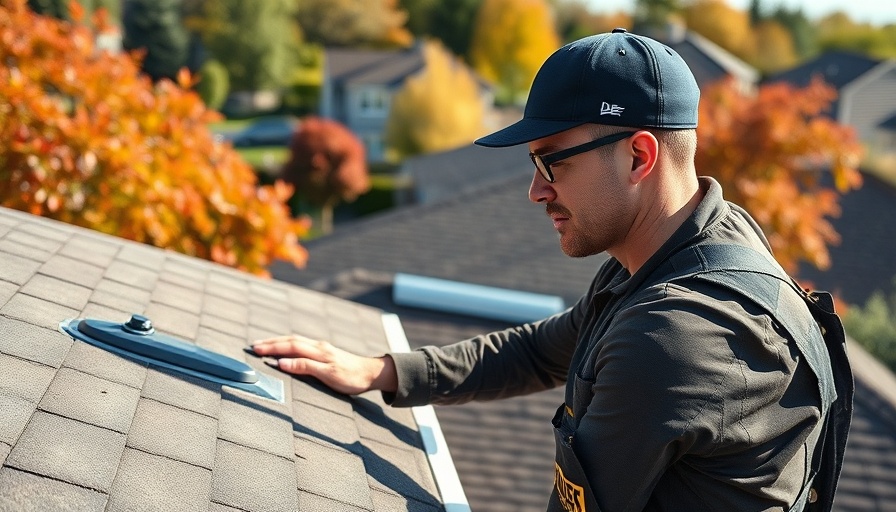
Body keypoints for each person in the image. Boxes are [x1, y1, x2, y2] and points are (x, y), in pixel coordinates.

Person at [253, 29, 847, 511]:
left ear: (639, 156)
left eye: (550, 163)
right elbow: (545, 349)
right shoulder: (695, 245)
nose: (536, 191)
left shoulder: (676, 337)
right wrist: (384, 371)